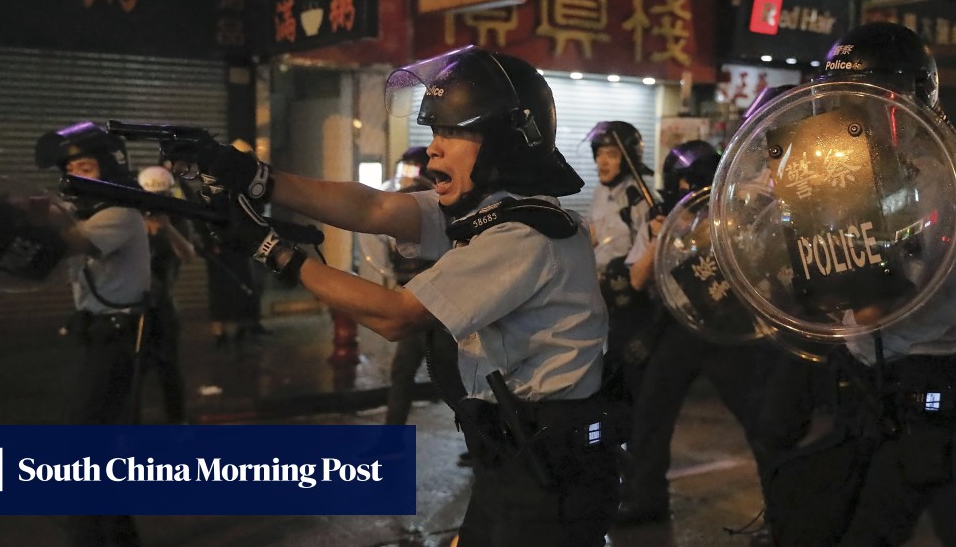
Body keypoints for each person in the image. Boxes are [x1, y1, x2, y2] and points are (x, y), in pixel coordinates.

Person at [171, 46, 622, 546]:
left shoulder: (524, 234)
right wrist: (256, 179)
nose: (433, 150)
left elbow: (397, 316)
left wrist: (275, 252)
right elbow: (374, 208)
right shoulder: (490, 211)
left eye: (452, 132)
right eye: (435, 132)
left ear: (505, 143)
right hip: (517, 456)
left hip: (551, 475)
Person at [748, 23, 956, 547]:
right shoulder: (894, 174)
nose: (849, 113)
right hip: (874, 378)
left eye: (864, 99)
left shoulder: (926, 182)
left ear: (903, 101)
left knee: (871, 525)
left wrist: (825, 219)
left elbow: (869, 307)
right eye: (842, 99)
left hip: (915, 379)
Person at [614, 140, 781, 527]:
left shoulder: (734, 217)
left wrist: (693, 232)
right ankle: (647, 497)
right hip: (679, 328)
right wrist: (662, 238)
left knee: (760, 423)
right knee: (652, 414)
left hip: (727, 330)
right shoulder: (664, 220)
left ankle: (782, 508)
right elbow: (637, 280)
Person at [35, 121, 150, 547]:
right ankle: (119, 535)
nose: (75, 176)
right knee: (100, 443)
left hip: (115, 340)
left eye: (85, 167)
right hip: (97, 336)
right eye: (70, 169)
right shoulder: (90, 216)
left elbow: (71, 242)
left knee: (82, 444)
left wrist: (39, 214)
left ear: (109, 167)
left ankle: (90, 537)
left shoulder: (119, 215)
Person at [375, 147, 460, 431]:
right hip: (412, 300)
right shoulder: (402, 211)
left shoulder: (444, 212)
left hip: (440, 307)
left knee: (453, 378)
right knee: (402, 372)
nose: (406, 179)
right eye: (404, 171)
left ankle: (479, 441)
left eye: (412, 171)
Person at [586, 120, 654, 401]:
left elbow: (645, 260)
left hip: (630, 301)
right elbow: (593, 234)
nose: (602, 162)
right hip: (601, 296)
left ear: (627, 158)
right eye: (600, 153)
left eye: (612, 154)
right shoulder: (601, 192)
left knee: (629, 374)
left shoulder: (639, 199)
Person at [136, 165, 196, 424]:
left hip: (163, 303)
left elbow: (188, 255)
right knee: (133, 371)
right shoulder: (130, 218)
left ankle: (177, 424)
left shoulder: (177, 219)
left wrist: (167, 227)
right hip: (132, 304)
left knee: (169, 368)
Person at [201, 139, 265, 352]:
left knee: (242, 288)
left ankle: (240, 330)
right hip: (221, 248)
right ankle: (220, 333)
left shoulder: (246, 185)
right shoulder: (215, 184)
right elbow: (204, 216)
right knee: (221, 291)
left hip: (240, 246)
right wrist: (211, 242)